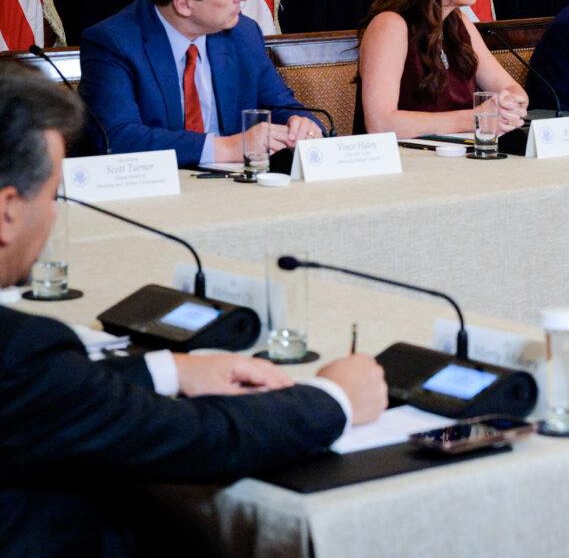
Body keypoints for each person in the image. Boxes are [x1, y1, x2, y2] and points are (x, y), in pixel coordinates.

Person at [0, 67, 387, 557]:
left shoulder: (29, 365)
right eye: (54, 194)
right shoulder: (21, 350)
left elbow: (51, 395)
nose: (56, 214)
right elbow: (198, 439)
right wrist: (336, 397)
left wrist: (169, 369)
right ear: (8, 209)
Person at [79, 0, 323, 168]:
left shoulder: (243, 34)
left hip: (236, 191)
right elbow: (118, 139)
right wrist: (228, 147)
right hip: (151, 194)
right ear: (184, 4)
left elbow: (280, 106)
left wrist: (299, 123)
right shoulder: (113, 42)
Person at [355, 0, 528, 138]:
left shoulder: (459, 22)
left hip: (458, 158)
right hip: (405, 163)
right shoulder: (389, 25)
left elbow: (515, 92)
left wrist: (507, 105)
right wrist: (475, 117)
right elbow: (381, 124)